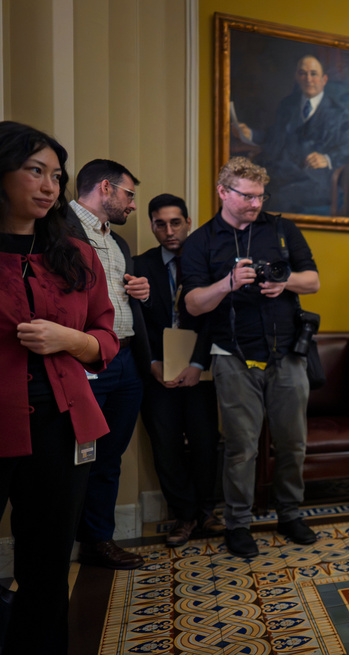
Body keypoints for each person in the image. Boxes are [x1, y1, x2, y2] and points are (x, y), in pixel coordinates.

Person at [0, 121, 120, 655]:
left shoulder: (75, 255)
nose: (50, 186)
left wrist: (72, 341)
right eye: (35, 171)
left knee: (47, 569)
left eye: (56, 174)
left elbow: (106, 335)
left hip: (63, 425)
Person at [181, 157, 321, 558]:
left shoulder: (281, 229)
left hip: (287, 355)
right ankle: (238, 524)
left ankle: (290, 514)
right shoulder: (202, 241)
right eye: (247, 196)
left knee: (293, 443)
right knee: (242, 447)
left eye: (261, 196)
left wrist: (284, 280)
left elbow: (313, 280)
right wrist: (227, 283)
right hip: (232, 357)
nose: (255, 203)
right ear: (224, 192)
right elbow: (192, 304)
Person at [66, 158, 152, 571]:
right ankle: (55, 546)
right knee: (73, 457)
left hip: (126, 361)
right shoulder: (57, 228)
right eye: (129, 194)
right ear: (105, 188)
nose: (132, 205)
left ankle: (98, 541)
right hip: (81, 360)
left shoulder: (118, 244)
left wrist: (141, 292)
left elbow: (119, 300)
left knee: (109, 456)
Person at [135, 194, 222, 547]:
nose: (169, 231)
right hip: (157, 369)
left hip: (200, 368)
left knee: (205, 441)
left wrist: (198, 363)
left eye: (175, 222)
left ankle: (206, 510)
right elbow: (135, 321)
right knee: (165, 444)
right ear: (152, 225)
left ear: (188, 222)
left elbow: (215, 320)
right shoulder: (140, 265)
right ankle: (183, 516)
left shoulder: (208, 264)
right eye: (160, 223)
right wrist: (151, 362)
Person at [234, 55, 349, 215]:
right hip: (284, 173)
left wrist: (327, 158)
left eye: (313, 74)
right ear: (296, 77)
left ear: (324, 79)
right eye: (303, 73)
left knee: (275, 198)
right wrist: (250, 133)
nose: (308, 79)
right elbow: (273, 136)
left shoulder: (340, 113)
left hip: (316, 180)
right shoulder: (287, 106)